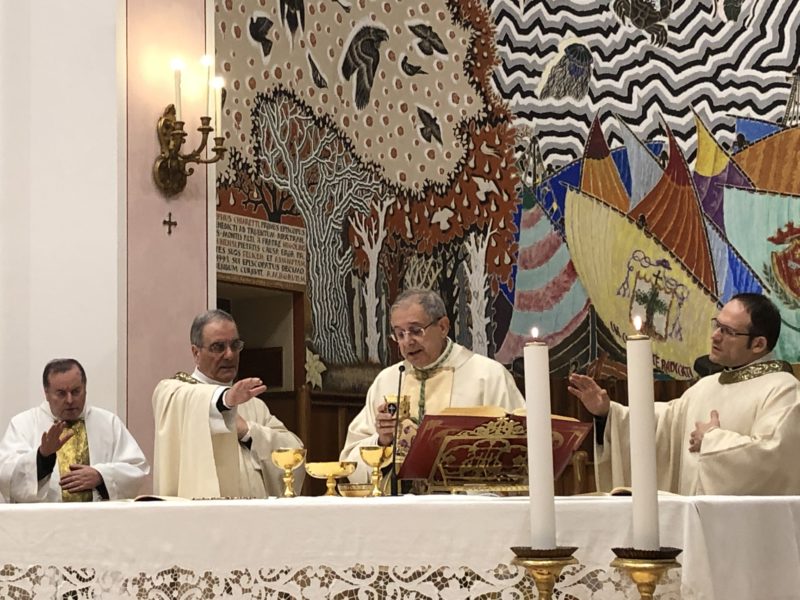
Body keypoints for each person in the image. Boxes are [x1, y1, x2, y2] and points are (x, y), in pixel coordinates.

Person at [568, 293, 800, 495]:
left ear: (758, 344)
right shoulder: (705, 386)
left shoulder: (783, 390)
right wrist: (608, 414)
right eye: (717, 325)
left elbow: (775, 460)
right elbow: (663, 427)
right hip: (692, 521)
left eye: (728, 331)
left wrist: (711, 440)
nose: (715, 336)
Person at [340, 289, 525, 483]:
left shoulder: (488, 376)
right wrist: (381, 441)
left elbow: (520, 448)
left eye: (416, 331)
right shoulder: (387, 381)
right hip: (400, 500)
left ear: (443, 327)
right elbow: (350, 462)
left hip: (468, 497)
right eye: (399, 334)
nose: (407, 342)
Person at [152, 309, 304, 498]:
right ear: (196, 352)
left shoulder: (253, 405)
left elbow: (294, 453)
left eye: (235, 345)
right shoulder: (174, 393)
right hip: (204, 513)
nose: (230, 355)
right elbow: (188, 399)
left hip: (256, 512)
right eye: (218, 347)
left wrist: (248, 431)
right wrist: (225, 402)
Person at [0, 358, 149, 502]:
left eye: (76, 391)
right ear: (46, 393)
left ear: (85, 389)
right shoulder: (23, 424)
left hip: (98, 516)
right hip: (44, 517)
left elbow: (137, 469)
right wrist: (42, 458)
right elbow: (6, 476)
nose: (70, 400)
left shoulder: (108, 423)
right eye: (61, 393)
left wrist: (101, 476)